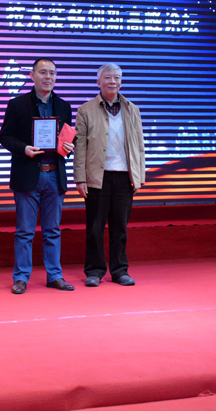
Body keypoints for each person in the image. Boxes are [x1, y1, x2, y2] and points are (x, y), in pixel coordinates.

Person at [0, 58, 76, 294]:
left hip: (54, 175)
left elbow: (66, 138)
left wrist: (69, 147)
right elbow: (5, 137)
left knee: (53, 230)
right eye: (43, 72)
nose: (48, 77)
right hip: (28, 174)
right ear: (32, 75)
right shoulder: (17, 104)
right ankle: (21, 277)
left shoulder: (63, 106)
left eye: (52, 73)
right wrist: (23, 148)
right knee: (25, 231)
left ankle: (55, 276)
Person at [73, 63, 145, 287]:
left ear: (121, 82)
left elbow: (139, 146)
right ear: (98, 81)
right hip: (97, 177)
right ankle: (94, 271)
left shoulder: (132, 109)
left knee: (119, 227)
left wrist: (139, 175)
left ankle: (120, 270)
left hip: (124, 176)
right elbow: (80, 147)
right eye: (107, 77)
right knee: (95, 227)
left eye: (116, 78)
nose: (112, 81)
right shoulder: (85, 110)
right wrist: (80, 178)